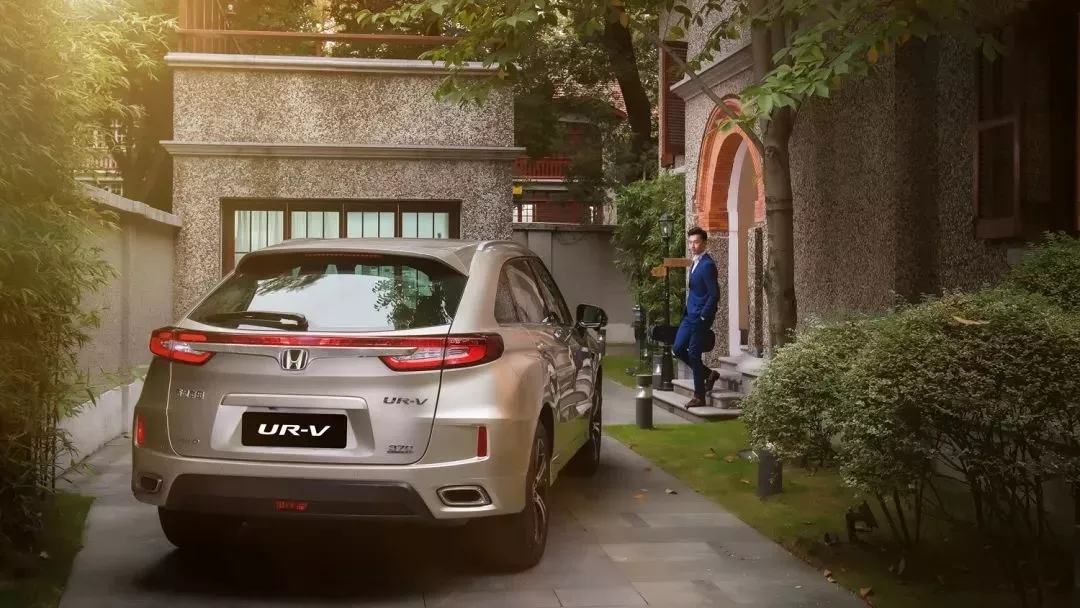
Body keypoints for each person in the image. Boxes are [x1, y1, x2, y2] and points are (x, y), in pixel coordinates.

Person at [672, 226, 721, 408]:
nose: (692, 246)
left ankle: (699, 396)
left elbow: (714, 294)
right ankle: (709, 374)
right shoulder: (695, 262)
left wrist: (704, 316)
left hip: (700, 316)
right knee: (678, 348)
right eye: (690, 242)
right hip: (689, 314)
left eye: (696, 242)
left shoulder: (707, 265)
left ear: (705, 243)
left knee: (693, 353)